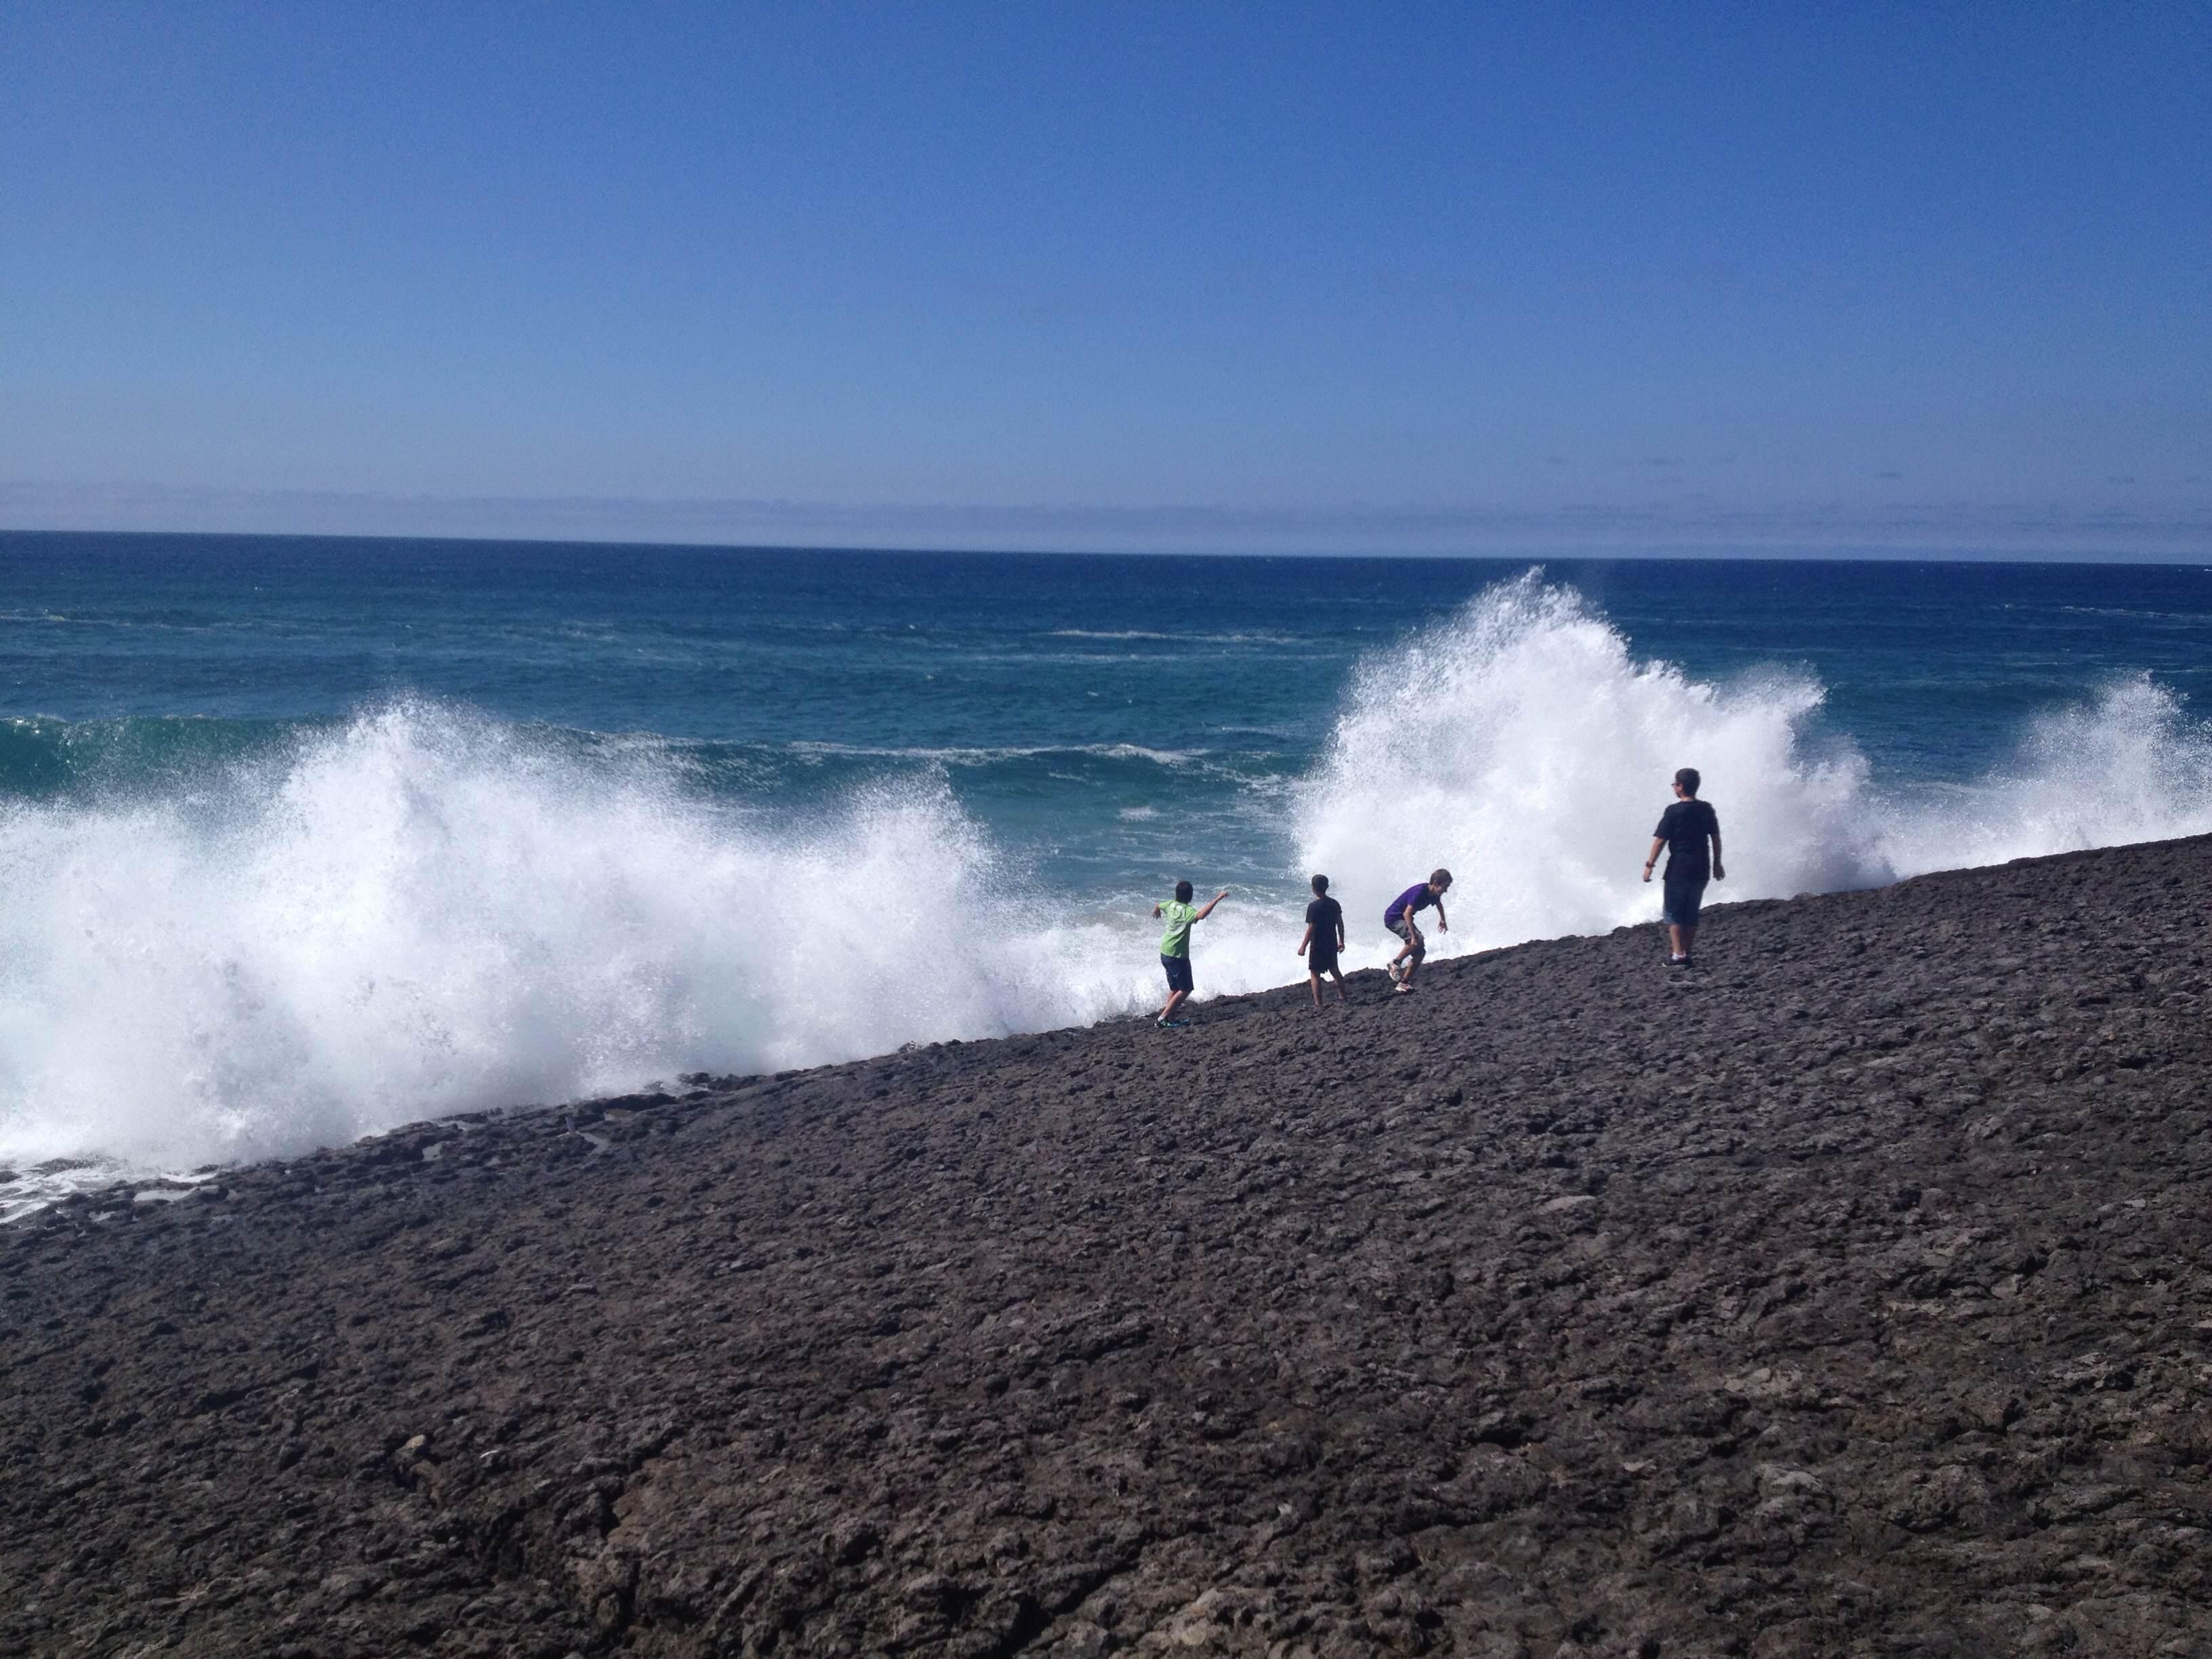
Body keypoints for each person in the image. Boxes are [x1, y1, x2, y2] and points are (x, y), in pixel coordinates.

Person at [1643, 767, 1724, 967]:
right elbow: (1715, 838)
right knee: (1690, 911)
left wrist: (1650, 865)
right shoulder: (1706, 809)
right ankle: (1686, 953)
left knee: (1674, 912)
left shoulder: (1674, 812)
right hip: (1701, 867)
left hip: (1679, 867)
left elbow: (1660, 840)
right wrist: (1717, 864)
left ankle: (1678, 955)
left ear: (1679, 786)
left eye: (1674, 784)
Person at [1153, 879, 1228, 1027]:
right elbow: (1200, 916)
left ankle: (1170, 1019)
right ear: (1190, 897)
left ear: (1176, 894)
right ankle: (1162, 1018)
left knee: (1174, 988)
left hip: (1165, 952)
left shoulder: (1170, 904)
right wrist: (1218, 899)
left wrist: (1156, 911)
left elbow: (1158, 905)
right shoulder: (1187, 911)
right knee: (1186, 989)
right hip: (1178, 956)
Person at [1383, 868, 1452, 994]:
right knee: (1416, 939)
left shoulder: (1434, 895)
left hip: (1402, 918)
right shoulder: (1420, 891)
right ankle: (1395, 963)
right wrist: (1413, 937)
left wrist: (1442, 919)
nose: (1446, 890)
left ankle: (1403, 983)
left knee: (1420, 952)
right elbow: (1407, 913)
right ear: (1436, 883)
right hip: (1393, 918)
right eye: (1445, 887)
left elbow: (1439, 904)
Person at [1296, 874, 1349, 1009]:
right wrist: (1341, 941)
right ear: (1327, 887)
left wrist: (1303, 946)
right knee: (1335, 970)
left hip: (1318, 944)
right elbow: (1340, 924)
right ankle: (1343, 997)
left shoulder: (1313, 906)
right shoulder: (1334, 904)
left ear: (1313, 888)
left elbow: (1311, 929)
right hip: (1331, 942)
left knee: (1315, 973)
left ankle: (1319, 1004)